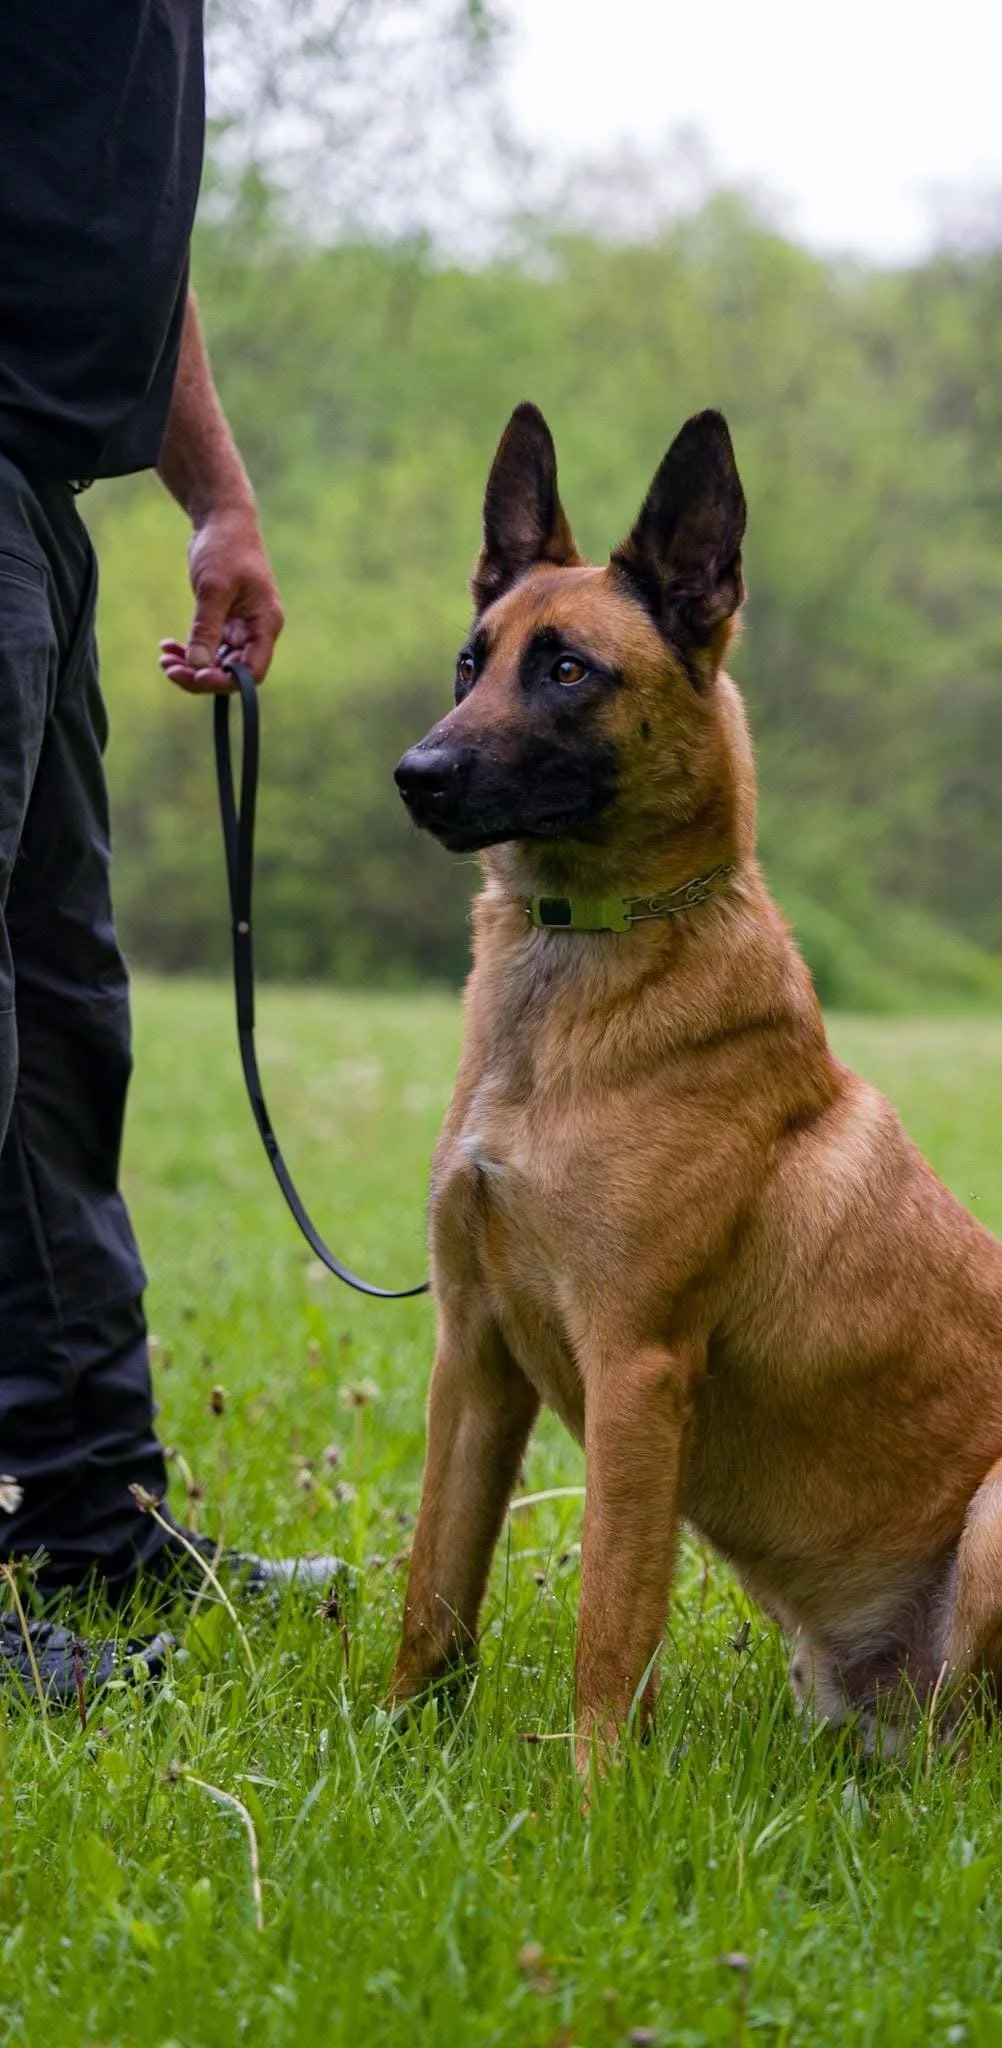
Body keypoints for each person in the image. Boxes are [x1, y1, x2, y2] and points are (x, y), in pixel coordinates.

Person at [0, 2, 339, 1700]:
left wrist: (215, 494)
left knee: (59, 1024)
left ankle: (91, 1519)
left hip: (34, 496)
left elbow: (119, 213)